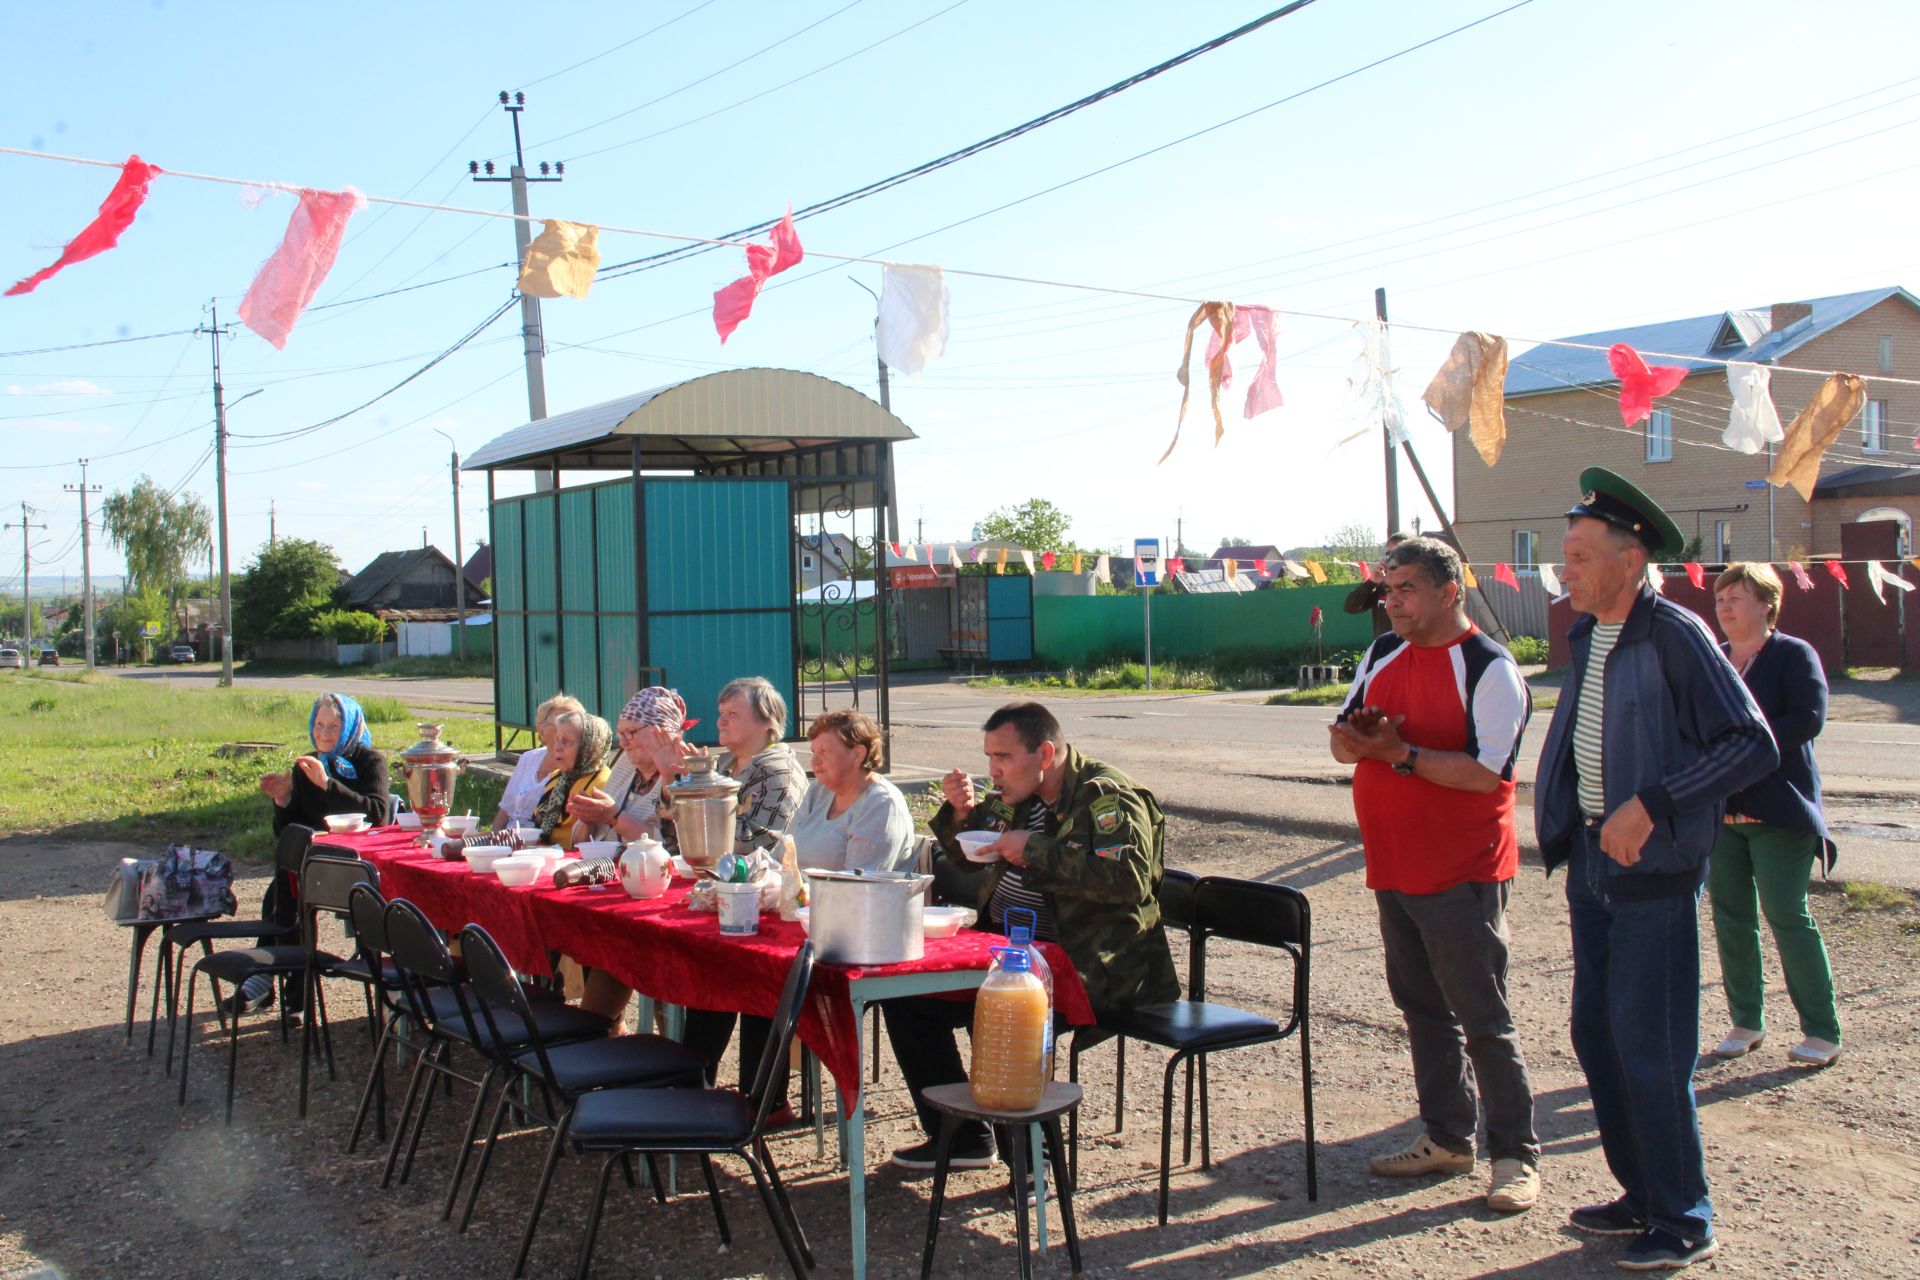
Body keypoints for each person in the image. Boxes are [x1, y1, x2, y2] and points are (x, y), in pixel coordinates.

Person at [1535, 468, 1776, 1272]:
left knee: (1650, 1045)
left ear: (1630, 559)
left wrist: (1654, 802)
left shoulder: (1674, 631)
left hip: (1655, 869)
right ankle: (1641, 1192)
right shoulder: (1586, 633)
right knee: (1596, 1033)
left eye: (1577, 554)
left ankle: (1684, 1215)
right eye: (1563, 554)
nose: (1562, 568)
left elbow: (1751, 744)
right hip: (1596, 866)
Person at [1328, 536, 1540, 1213]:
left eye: (1406, 589)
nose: (1392, 602)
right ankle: (1448, 1137)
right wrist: (1359, 742)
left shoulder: (1490, 668)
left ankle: (1517, 1156)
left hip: (1461, 870)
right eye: (1388, 590)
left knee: (1483, 1016)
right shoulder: (1382, 651)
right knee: (1421, 1009)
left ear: (1450, 591)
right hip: (1393, 864)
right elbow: (1338, 742)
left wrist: (1400, 753)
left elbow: (1486, 775)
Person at [882, 701, 1179, 1170]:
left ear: (1044, 753)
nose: (993, 771)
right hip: (1007, 951)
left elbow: (1129, 881)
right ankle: (961, 1139)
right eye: (989, 758)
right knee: (906, 999)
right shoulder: (1015, 797)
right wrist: (960, 816)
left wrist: (1037, 850)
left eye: (1002, 757)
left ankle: (1034, 1163)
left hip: (1089, 963)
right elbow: (970, 857)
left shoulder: (1108, 798)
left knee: (1002, 1010)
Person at [1708, 563, 1843, 1068]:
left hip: (1780, 811)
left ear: (1767, 603)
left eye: (1736, 597)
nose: (1724, 607)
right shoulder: (1715, 658)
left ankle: (1822, 1031)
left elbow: (1809, 717)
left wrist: (1746, 749)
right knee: (1730, 918)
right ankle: (1746, 1021)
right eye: (1721, 598)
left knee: (1787, 914)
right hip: (1721, 813)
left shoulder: (1792, 653)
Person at [679, 684, 833, 1116]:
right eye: (720, 711)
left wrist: (697, 803)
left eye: (733, 713)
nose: (721, 720)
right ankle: (694, 1082)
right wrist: (686, 788)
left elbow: (754, 846)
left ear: (767, 722)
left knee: (752, 971)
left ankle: (761, 1098)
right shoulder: (727, 764)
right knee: (707, 963)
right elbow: (676, 832)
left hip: (774, 906)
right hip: (731, 896)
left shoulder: (777, 772)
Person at [241, 693, 392, 1013]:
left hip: (361, 864)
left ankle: (266, 977)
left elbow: (378, 812)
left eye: (334, 726)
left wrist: (327, 785)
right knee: (285, 886)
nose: (324, 733)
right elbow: (289, 834)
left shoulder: (369, 761)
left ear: (350, 726)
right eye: (319, 725)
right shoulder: (306, 766)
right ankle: (292, 993)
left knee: (286, 887)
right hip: (319, 863)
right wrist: (283, 801)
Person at [786, 708, 915, 873]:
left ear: (857, 754)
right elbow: (783, 854)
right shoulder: (817, 791)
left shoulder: (882, 804)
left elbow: (857, 883)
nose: (815, 761)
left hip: (851, 897)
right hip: (801, 896)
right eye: (814, 752)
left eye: (825, 752)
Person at [568, 687, 690, 846]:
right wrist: (589, 818)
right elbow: (579, 844)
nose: (623, 742)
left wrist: (614, 816)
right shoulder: (627, 764)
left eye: (631, 732)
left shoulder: (683, 771)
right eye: (620, 733)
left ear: (663, 732)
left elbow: (671, 846)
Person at [491, 693, 585, 832]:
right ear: (541, 729)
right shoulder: (529, 758)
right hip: (509, 838)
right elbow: (505, 809)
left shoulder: (578, 766)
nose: (564, 731)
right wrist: (493, 840)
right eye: (559, 723)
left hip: (543, 844)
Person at [527, 711, 613, 850]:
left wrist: (587, 823)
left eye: (566, 742)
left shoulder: (602, 785)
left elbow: (587, 845)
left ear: (589, 747)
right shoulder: (557, 777)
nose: (557, 747)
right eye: (557, 739)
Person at [1343, 530, 1414, 636]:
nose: (1392, 558)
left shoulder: (1421, 586)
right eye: (1389, 553)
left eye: (1398, 553)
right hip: (1385, 650)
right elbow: (1350, 607)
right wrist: (1371, 582)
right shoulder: (1382, 586)